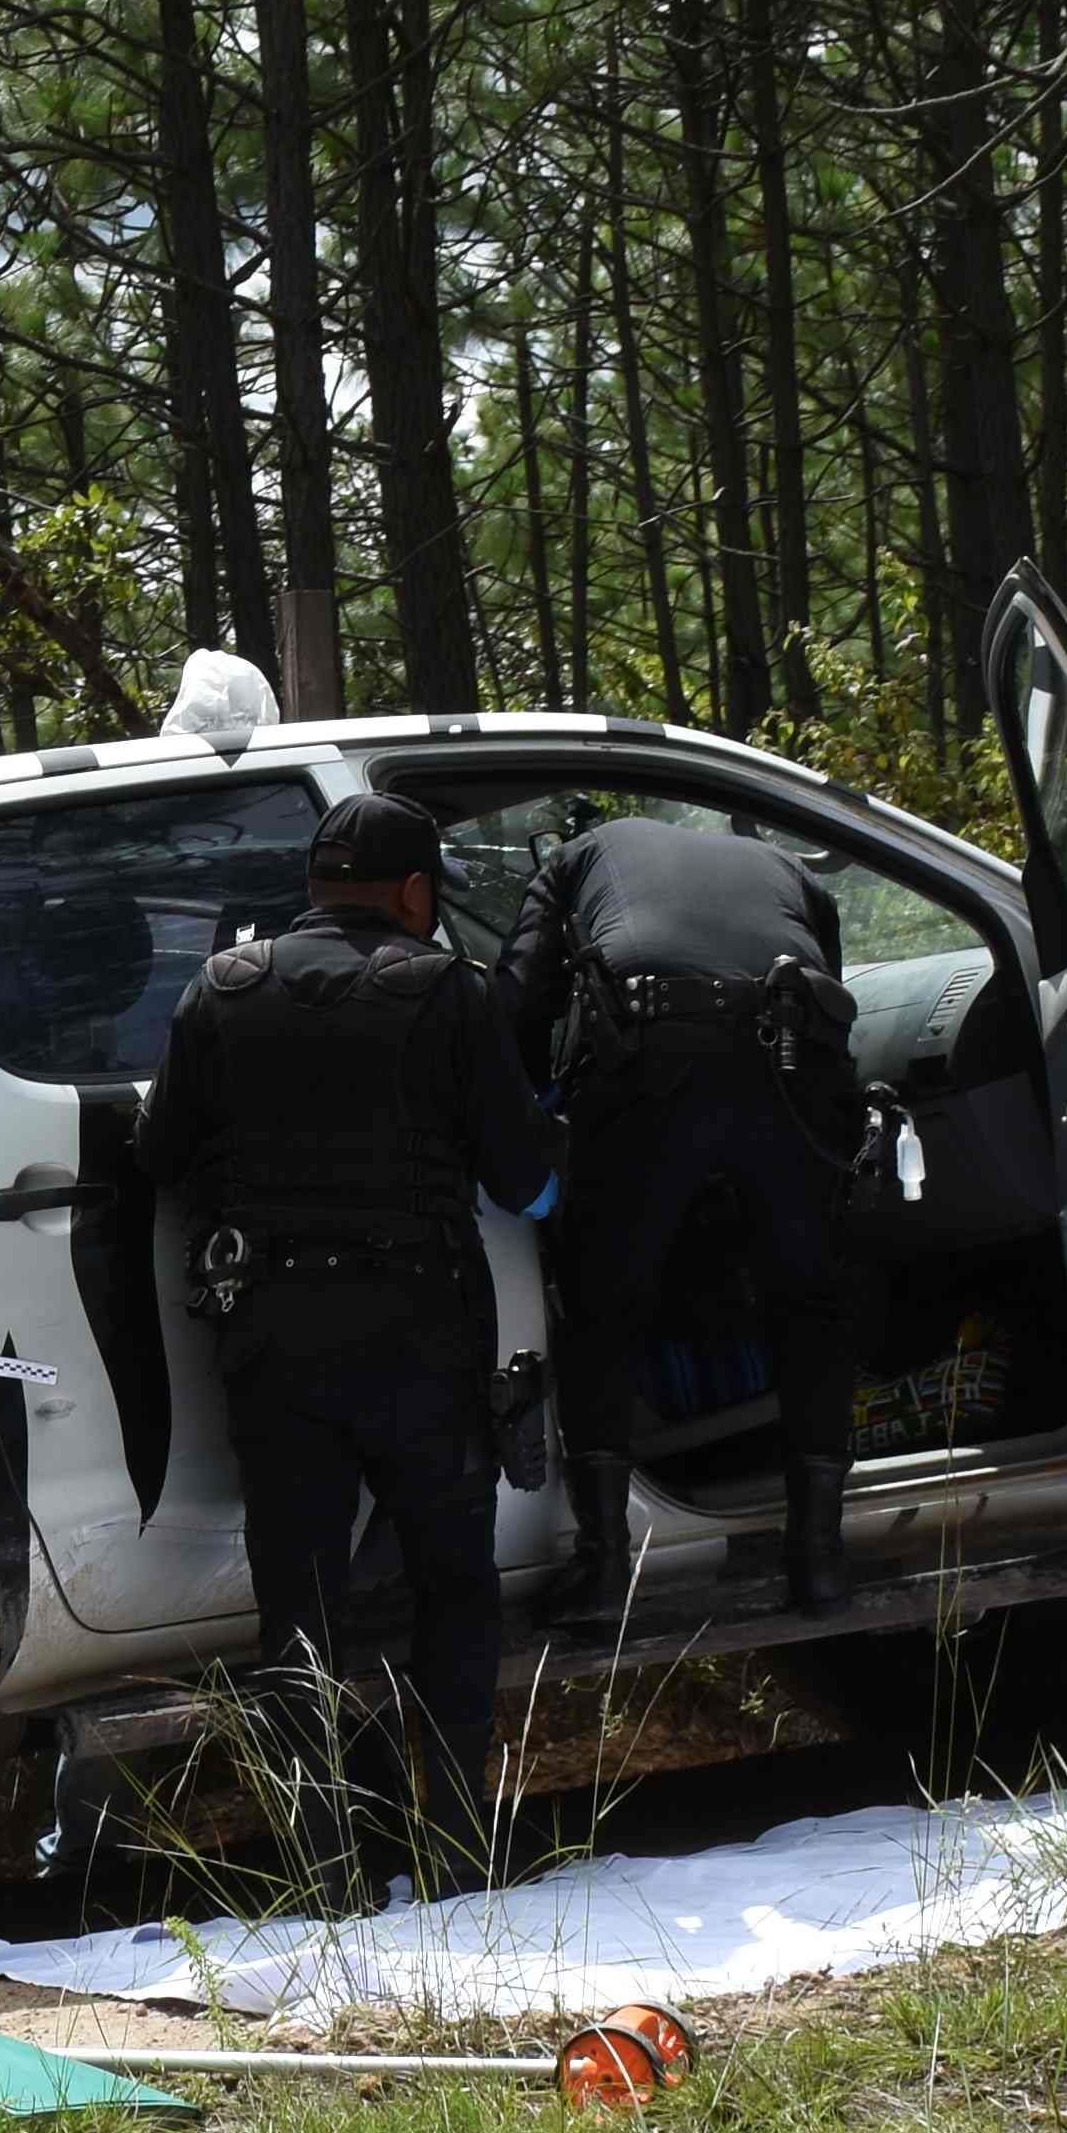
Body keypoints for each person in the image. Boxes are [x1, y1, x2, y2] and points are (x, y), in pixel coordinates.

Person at [133, 792, 568, 1894]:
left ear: (317, 889)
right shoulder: (450, 997)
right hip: (420, 1338)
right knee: (454, 1587)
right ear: (415, 894)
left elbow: (157, 1155)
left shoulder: (219, 992)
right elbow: (528, 1179)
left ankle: (324, 1867)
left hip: (274, 1346)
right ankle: (461, 1845)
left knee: (301, 1612)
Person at [500, 806, 867, 1629]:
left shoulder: (577, 855)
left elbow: (520, 999)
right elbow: (835, 1005)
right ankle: (821, 1564)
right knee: (812, 1300)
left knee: (602, 1303)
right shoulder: (788, 873)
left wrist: (524, 1117)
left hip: (654, 1056)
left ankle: (600, 1574)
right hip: (791, 1054)